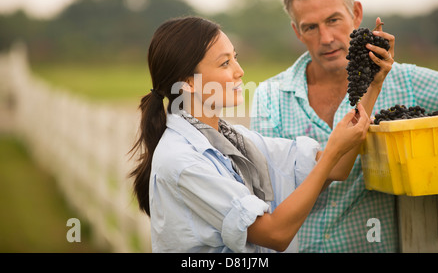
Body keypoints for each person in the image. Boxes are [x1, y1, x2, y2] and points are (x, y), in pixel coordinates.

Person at [129, 16, 393, 252]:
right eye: (224, 63)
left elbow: (336, 169)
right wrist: (333, 150)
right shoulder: (182, 161)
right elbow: (275, 234)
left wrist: (373, 83)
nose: (239, 71)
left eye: (235, 57)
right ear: (188, 83)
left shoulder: (236, 140)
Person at [251, 0, 438, 252]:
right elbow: (272, 194)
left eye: (333, 20)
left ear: (356, 14)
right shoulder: (270, 96)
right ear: (297, 31)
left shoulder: (403, 80)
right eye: (311, 27)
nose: (327, 38)